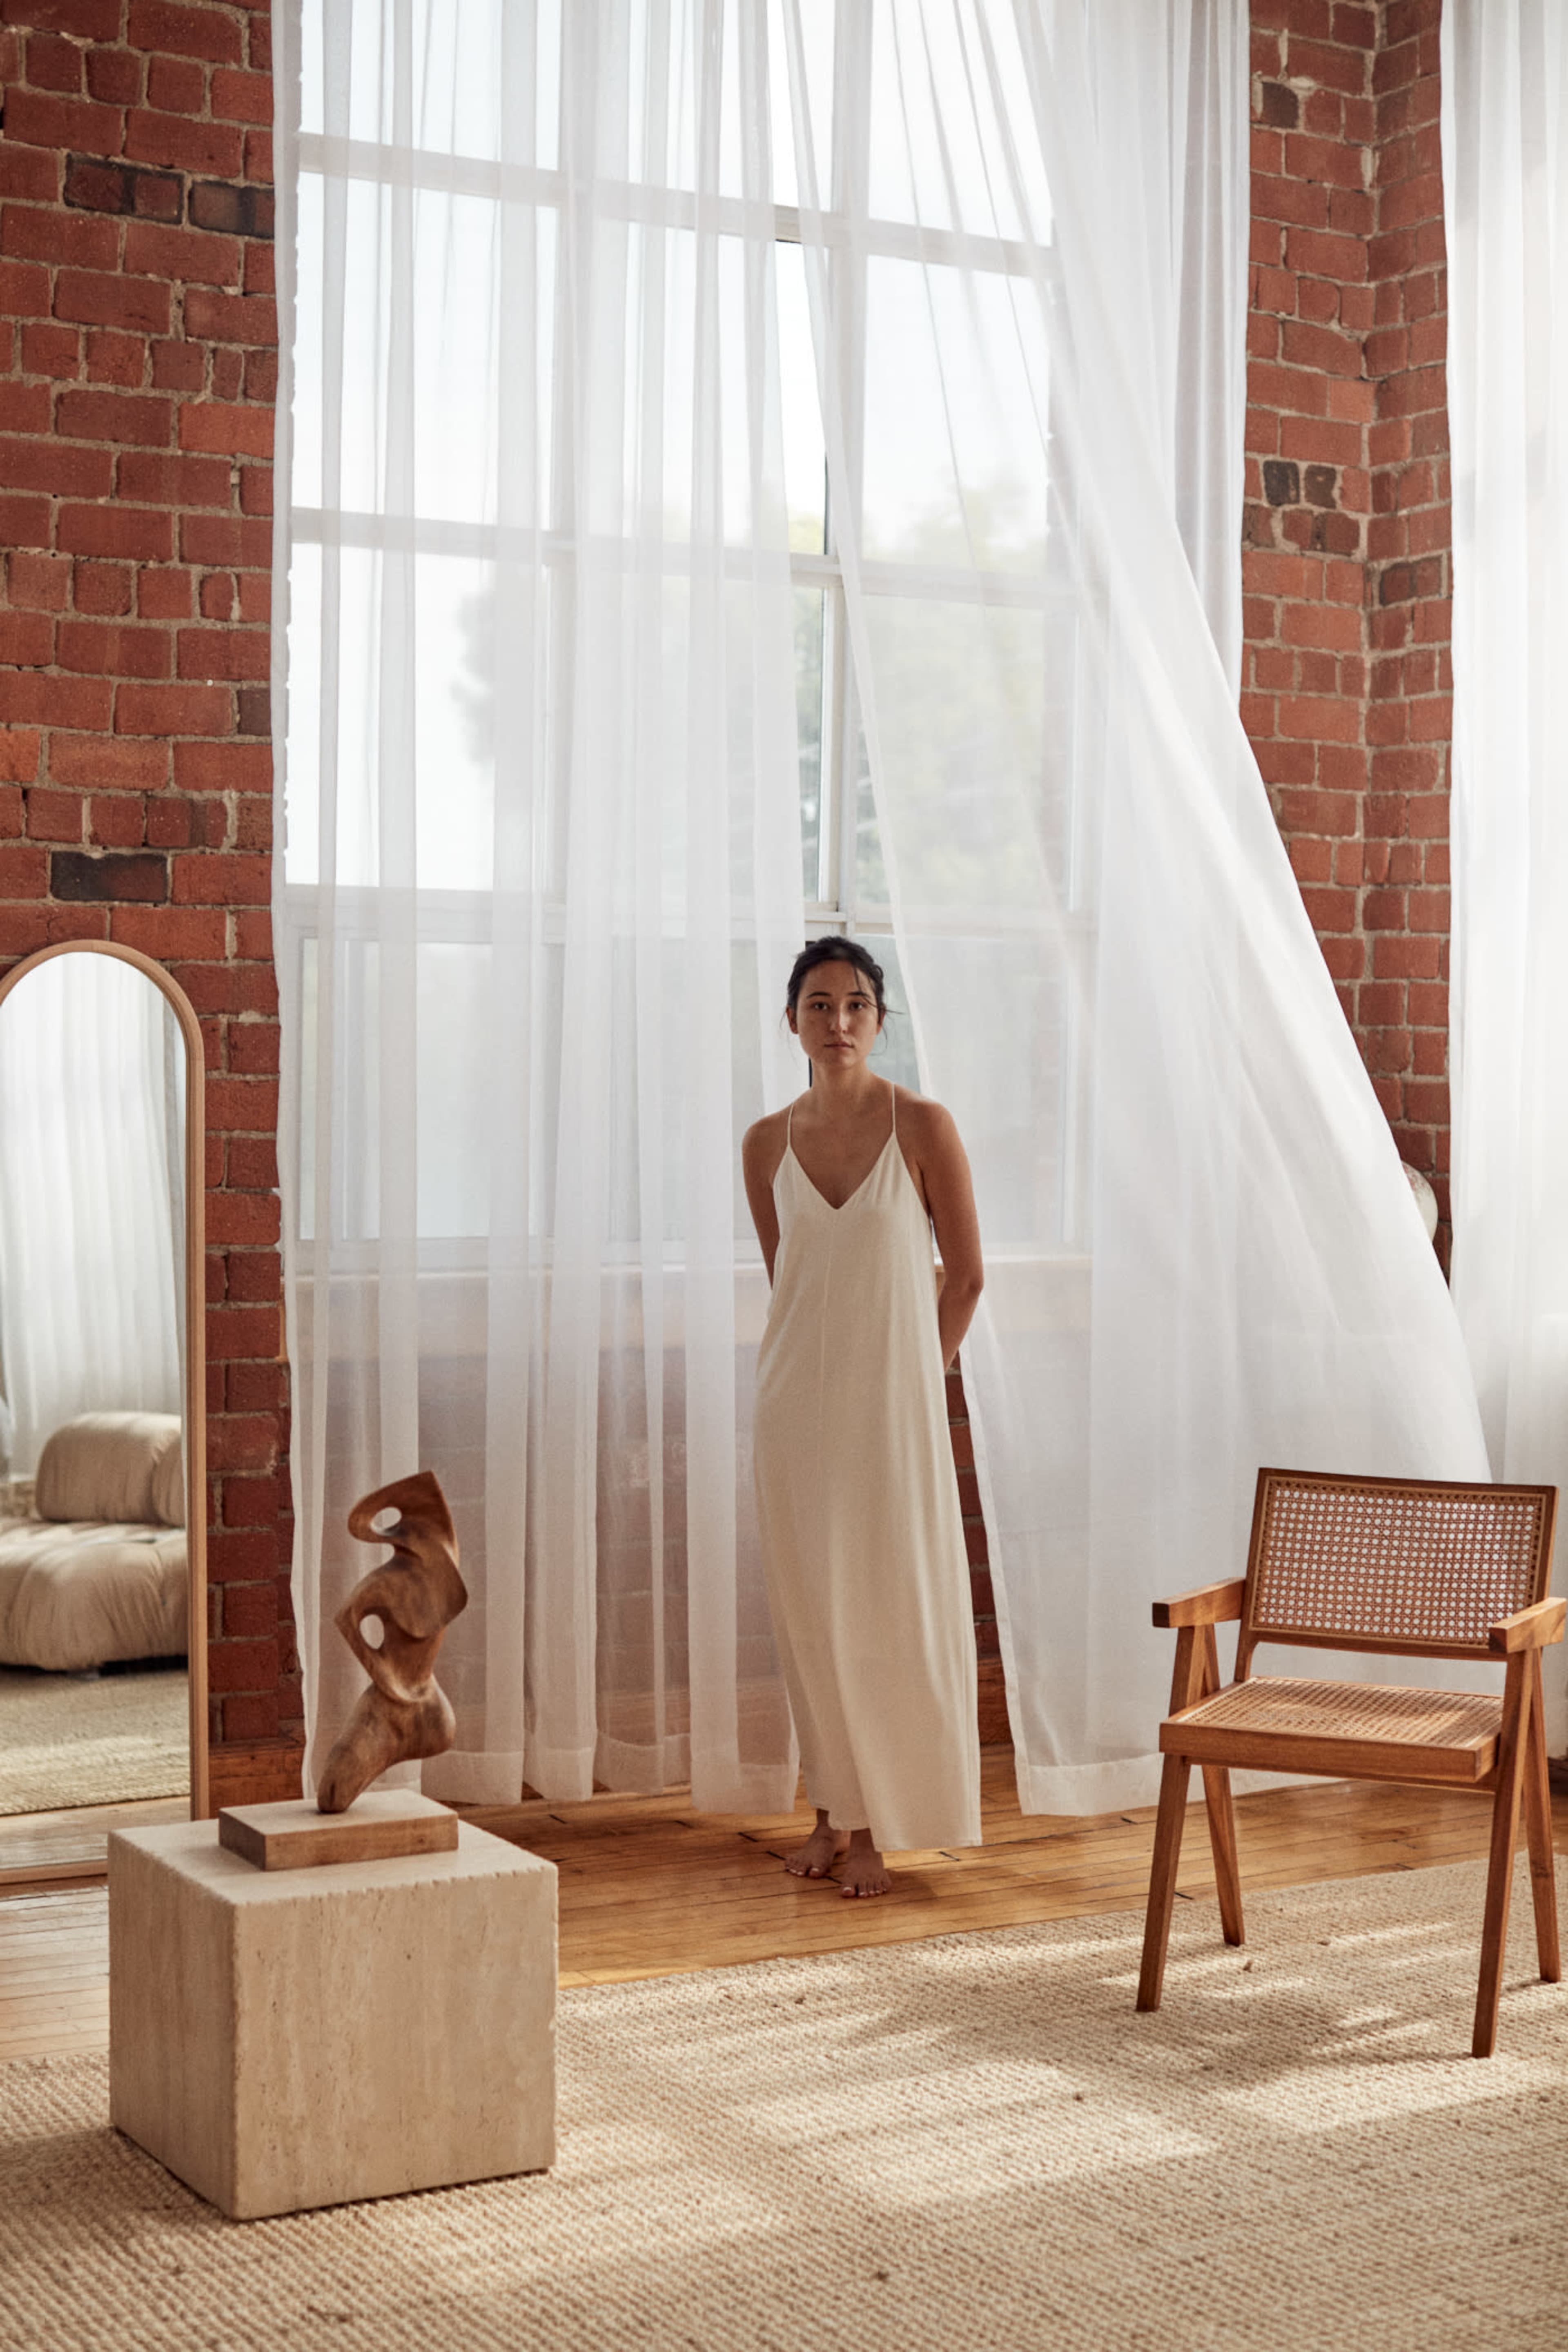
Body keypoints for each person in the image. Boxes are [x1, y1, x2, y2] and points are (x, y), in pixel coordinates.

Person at [742, 939, 984, 1898]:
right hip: (795, 1411)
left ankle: (885, 1823)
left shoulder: (922, 1125)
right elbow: (791, 1282)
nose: (837, 1022)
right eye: (818, 1005)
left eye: (855, 1005)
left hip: (895, 1412)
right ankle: (829, 1814)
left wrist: (915, 1380)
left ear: (880, 1021)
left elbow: (965, 1279)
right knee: (813, 1617)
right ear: (792, 1021)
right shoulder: (765, 1143)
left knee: (889, 1611)